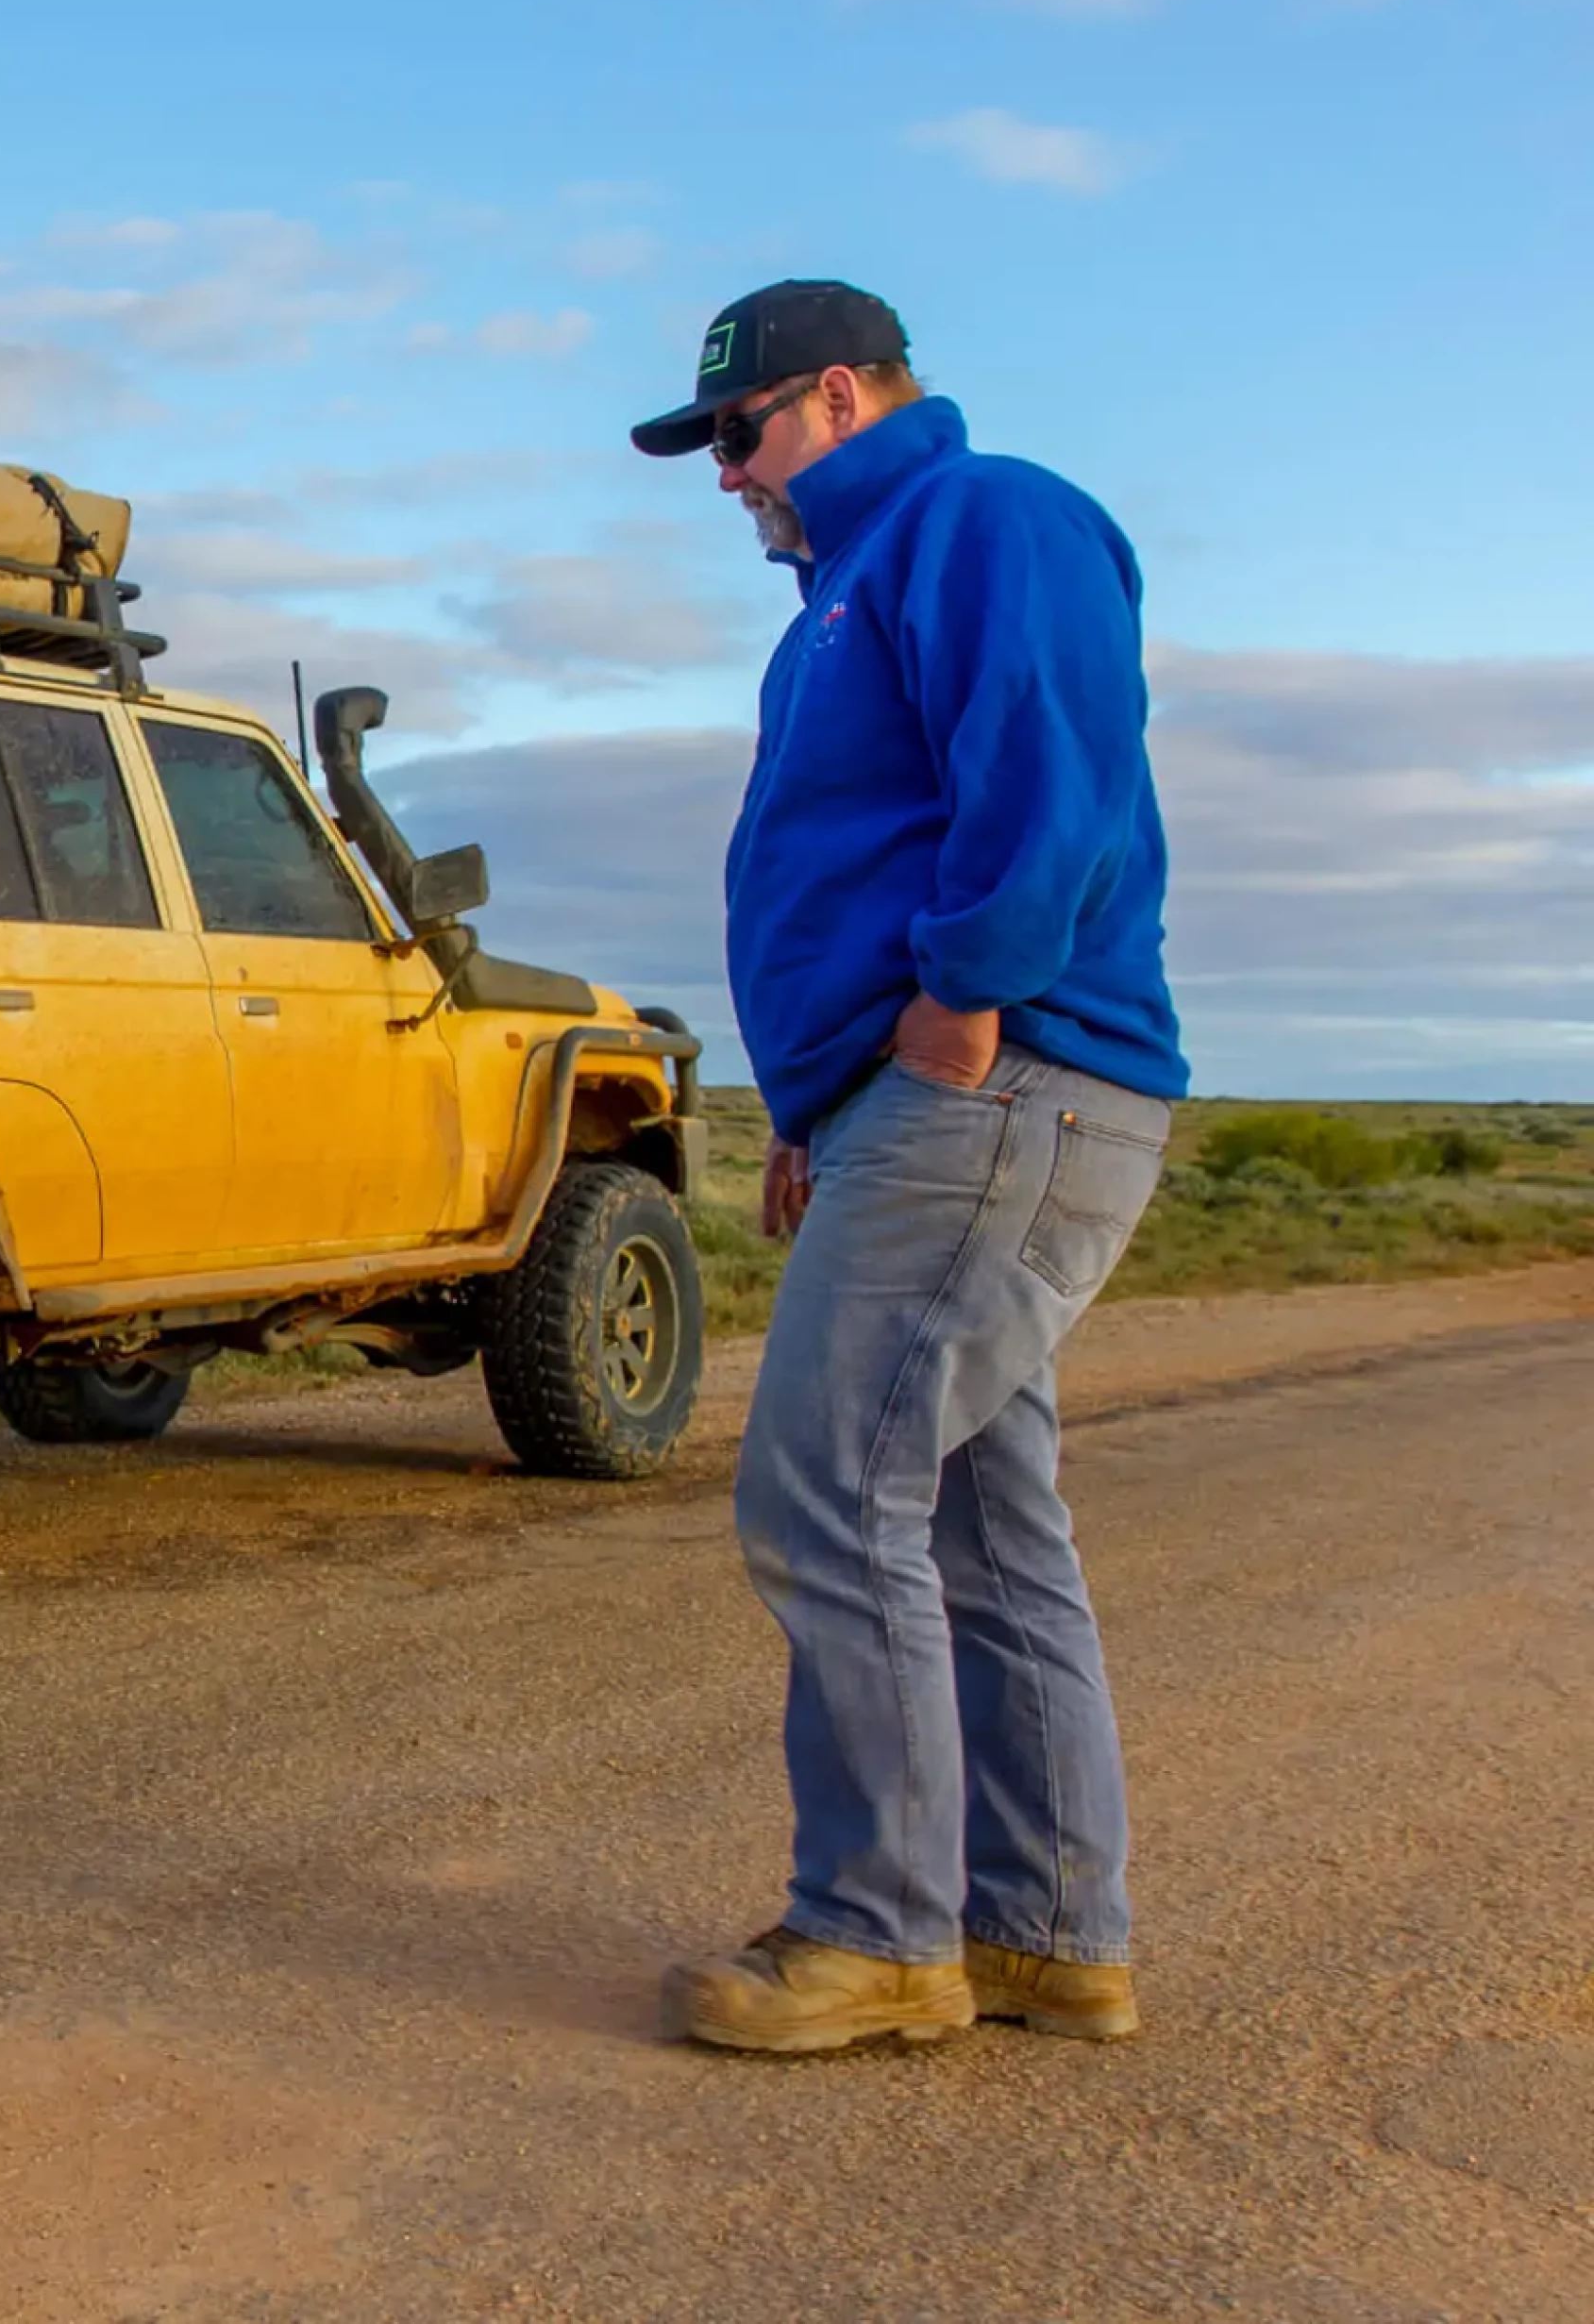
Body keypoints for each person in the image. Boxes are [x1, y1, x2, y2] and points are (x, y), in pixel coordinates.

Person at [629, 283, 1189, 2051]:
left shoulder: (984, 515)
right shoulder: (842, 600)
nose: (726, 476)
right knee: (967, 1513)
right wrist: (813, 1109)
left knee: (821, 1493)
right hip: (924, 1098)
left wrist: (960, 1000)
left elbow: (1051, 774)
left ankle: (877, 1931)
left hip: (996, 1078)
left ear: (846, 397)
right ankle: (1041, 1933)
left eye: (740, 433)